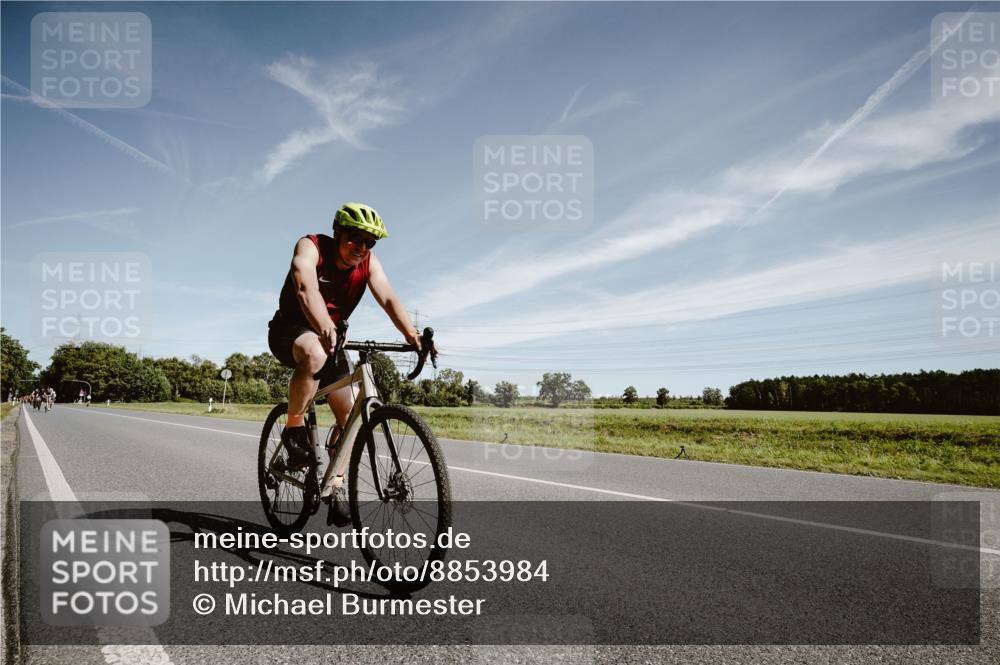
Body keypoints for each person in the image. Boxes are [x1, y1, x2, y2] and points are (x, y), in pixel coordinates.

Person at [267, 202, 425, 525]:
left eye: (370, 243)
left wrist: (411, 333)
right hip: (290, 331)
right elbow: (303, 283)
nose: (362, 248)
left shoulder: (368, 263)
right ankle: (294, 429)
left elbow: (390, 297)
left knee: (351, 414)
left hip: (331, 340)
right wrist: (324, 324)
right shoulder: (312, 247)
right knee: (314, 353)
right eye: (355, 238)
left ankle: (335, 486)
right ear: (338, 232)